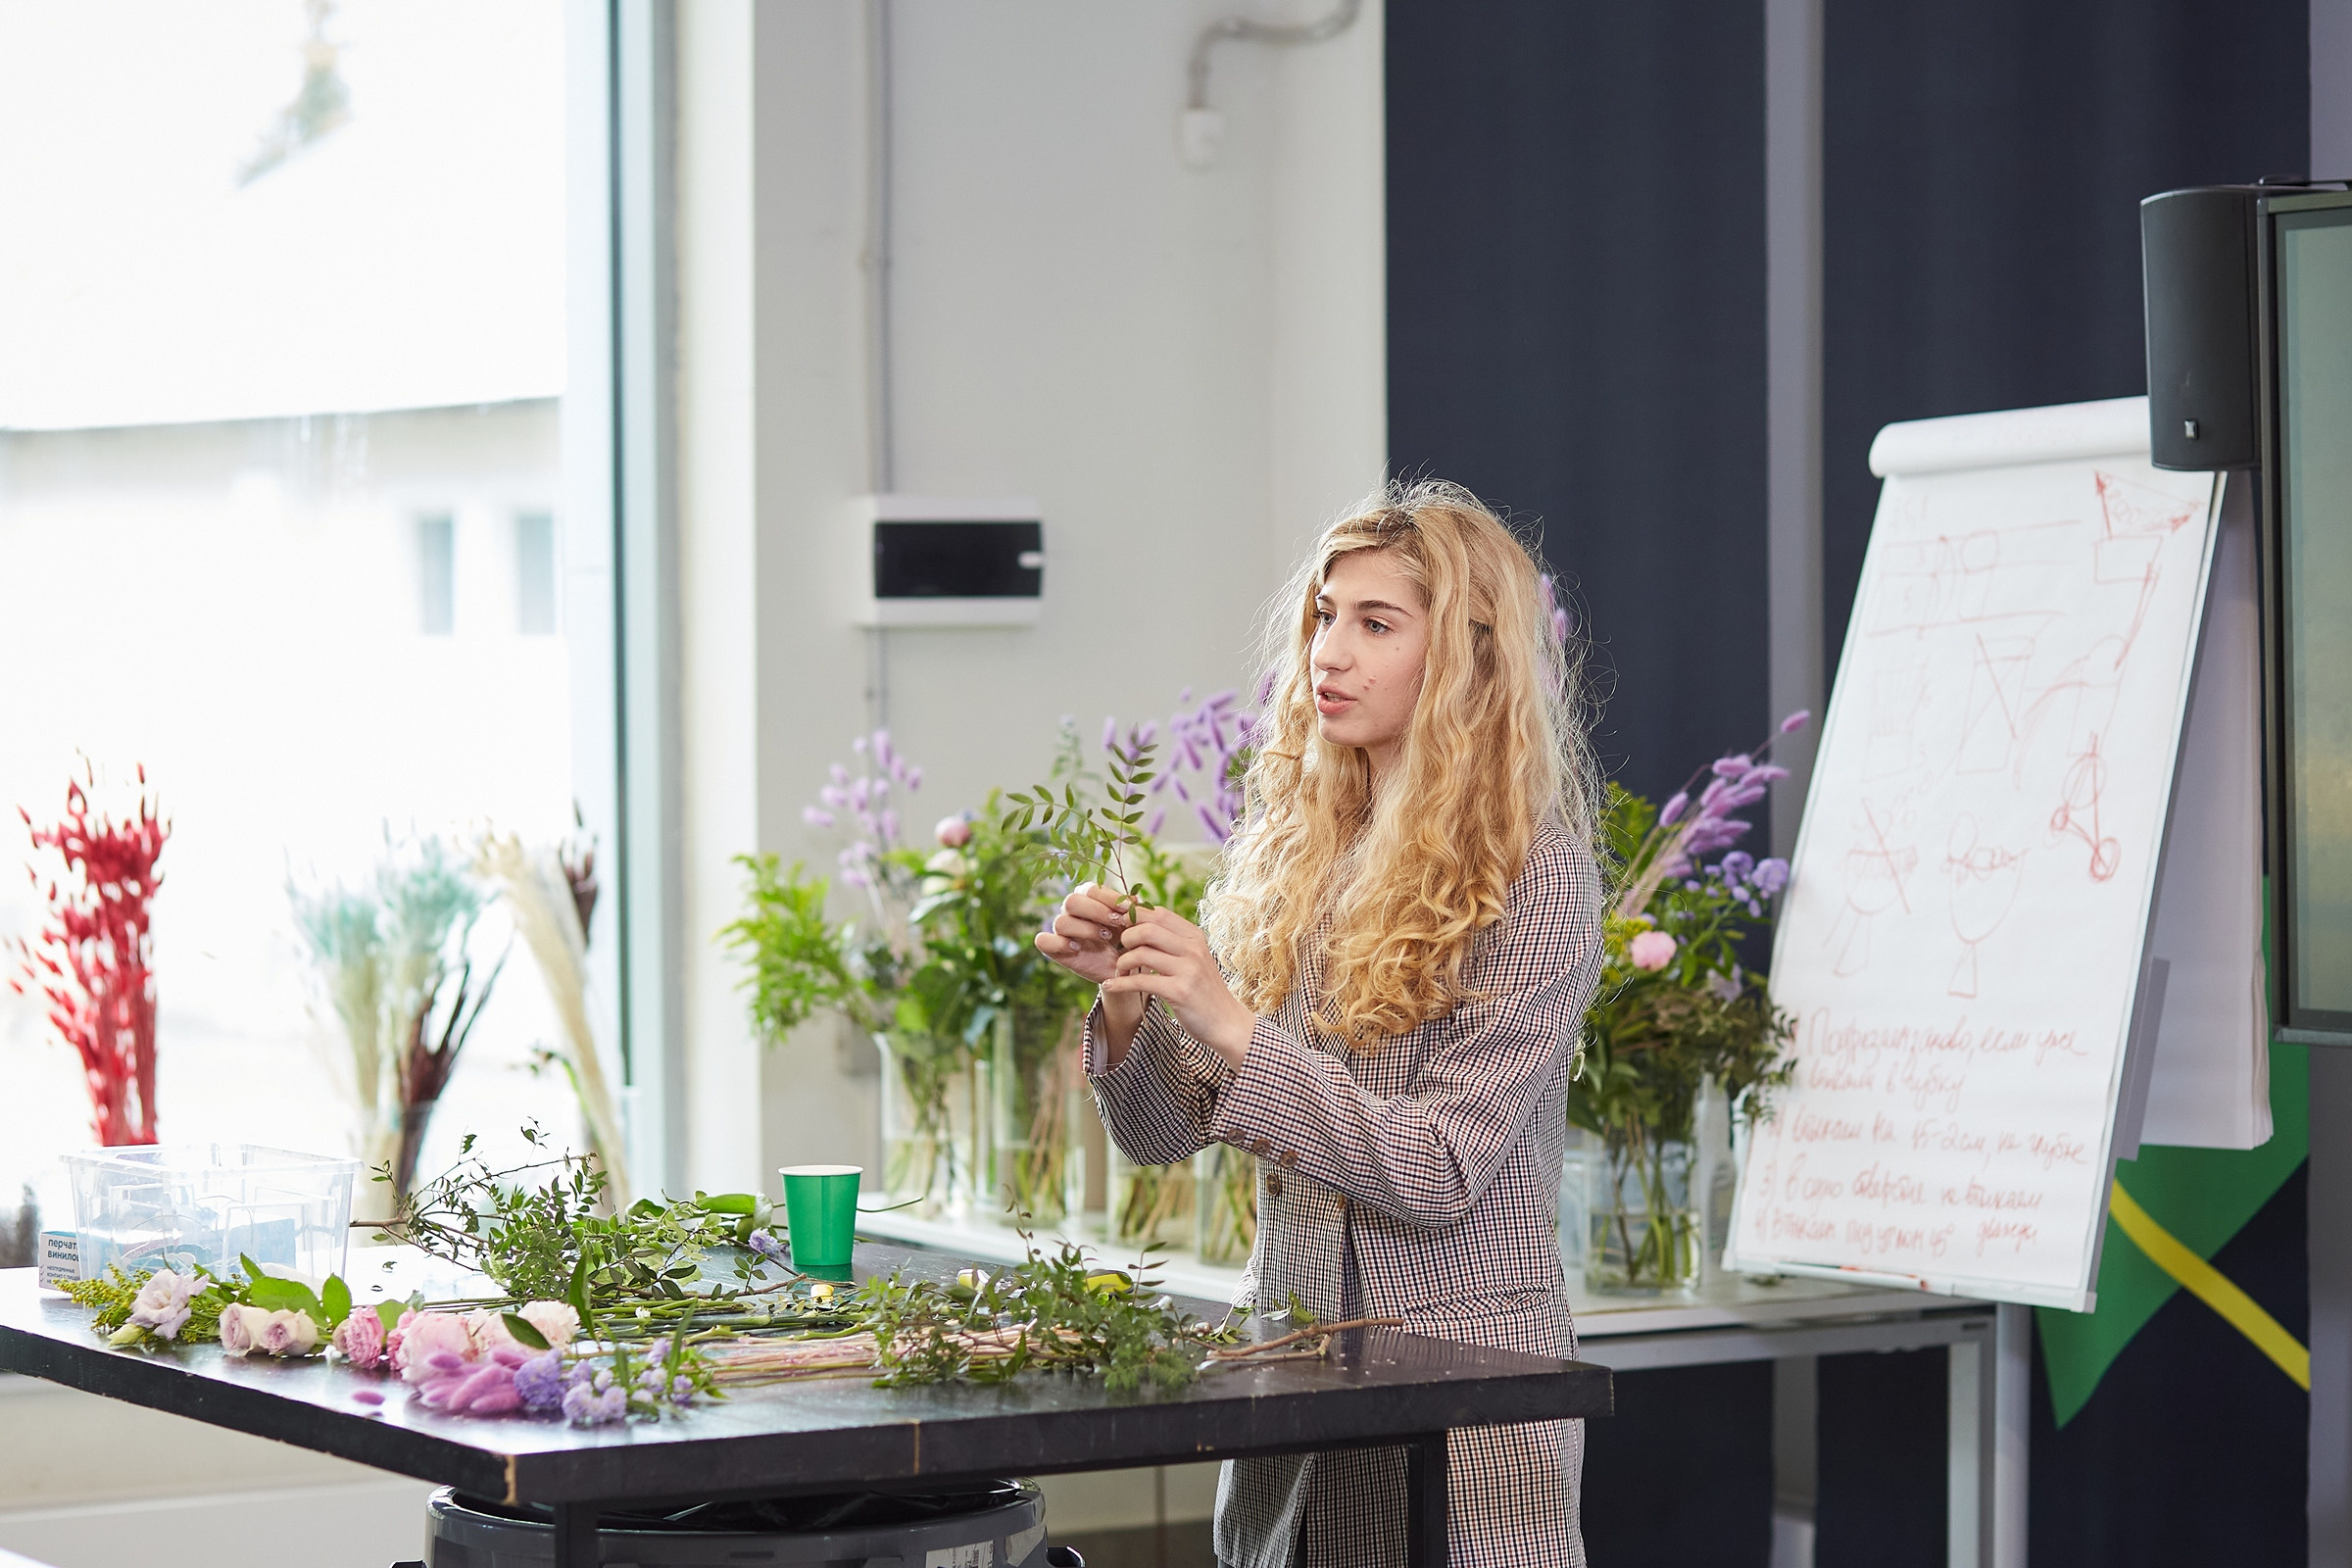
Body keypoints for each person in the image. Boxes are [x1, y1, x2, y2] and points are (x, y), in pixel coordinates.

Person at [1035, 480, 1605, 1568]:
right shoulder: (1295, 856)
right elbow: (1164, 1132)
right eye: (1322, 618)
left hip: (1465, 1404)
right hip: (1294, 1399)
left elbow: (1437, 1170)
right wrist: (1126, 1001)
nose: (1327, 654)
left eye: (1375, 623)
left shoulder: (1537, 879)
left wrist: (1234, 1023)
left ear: (1466, 659)